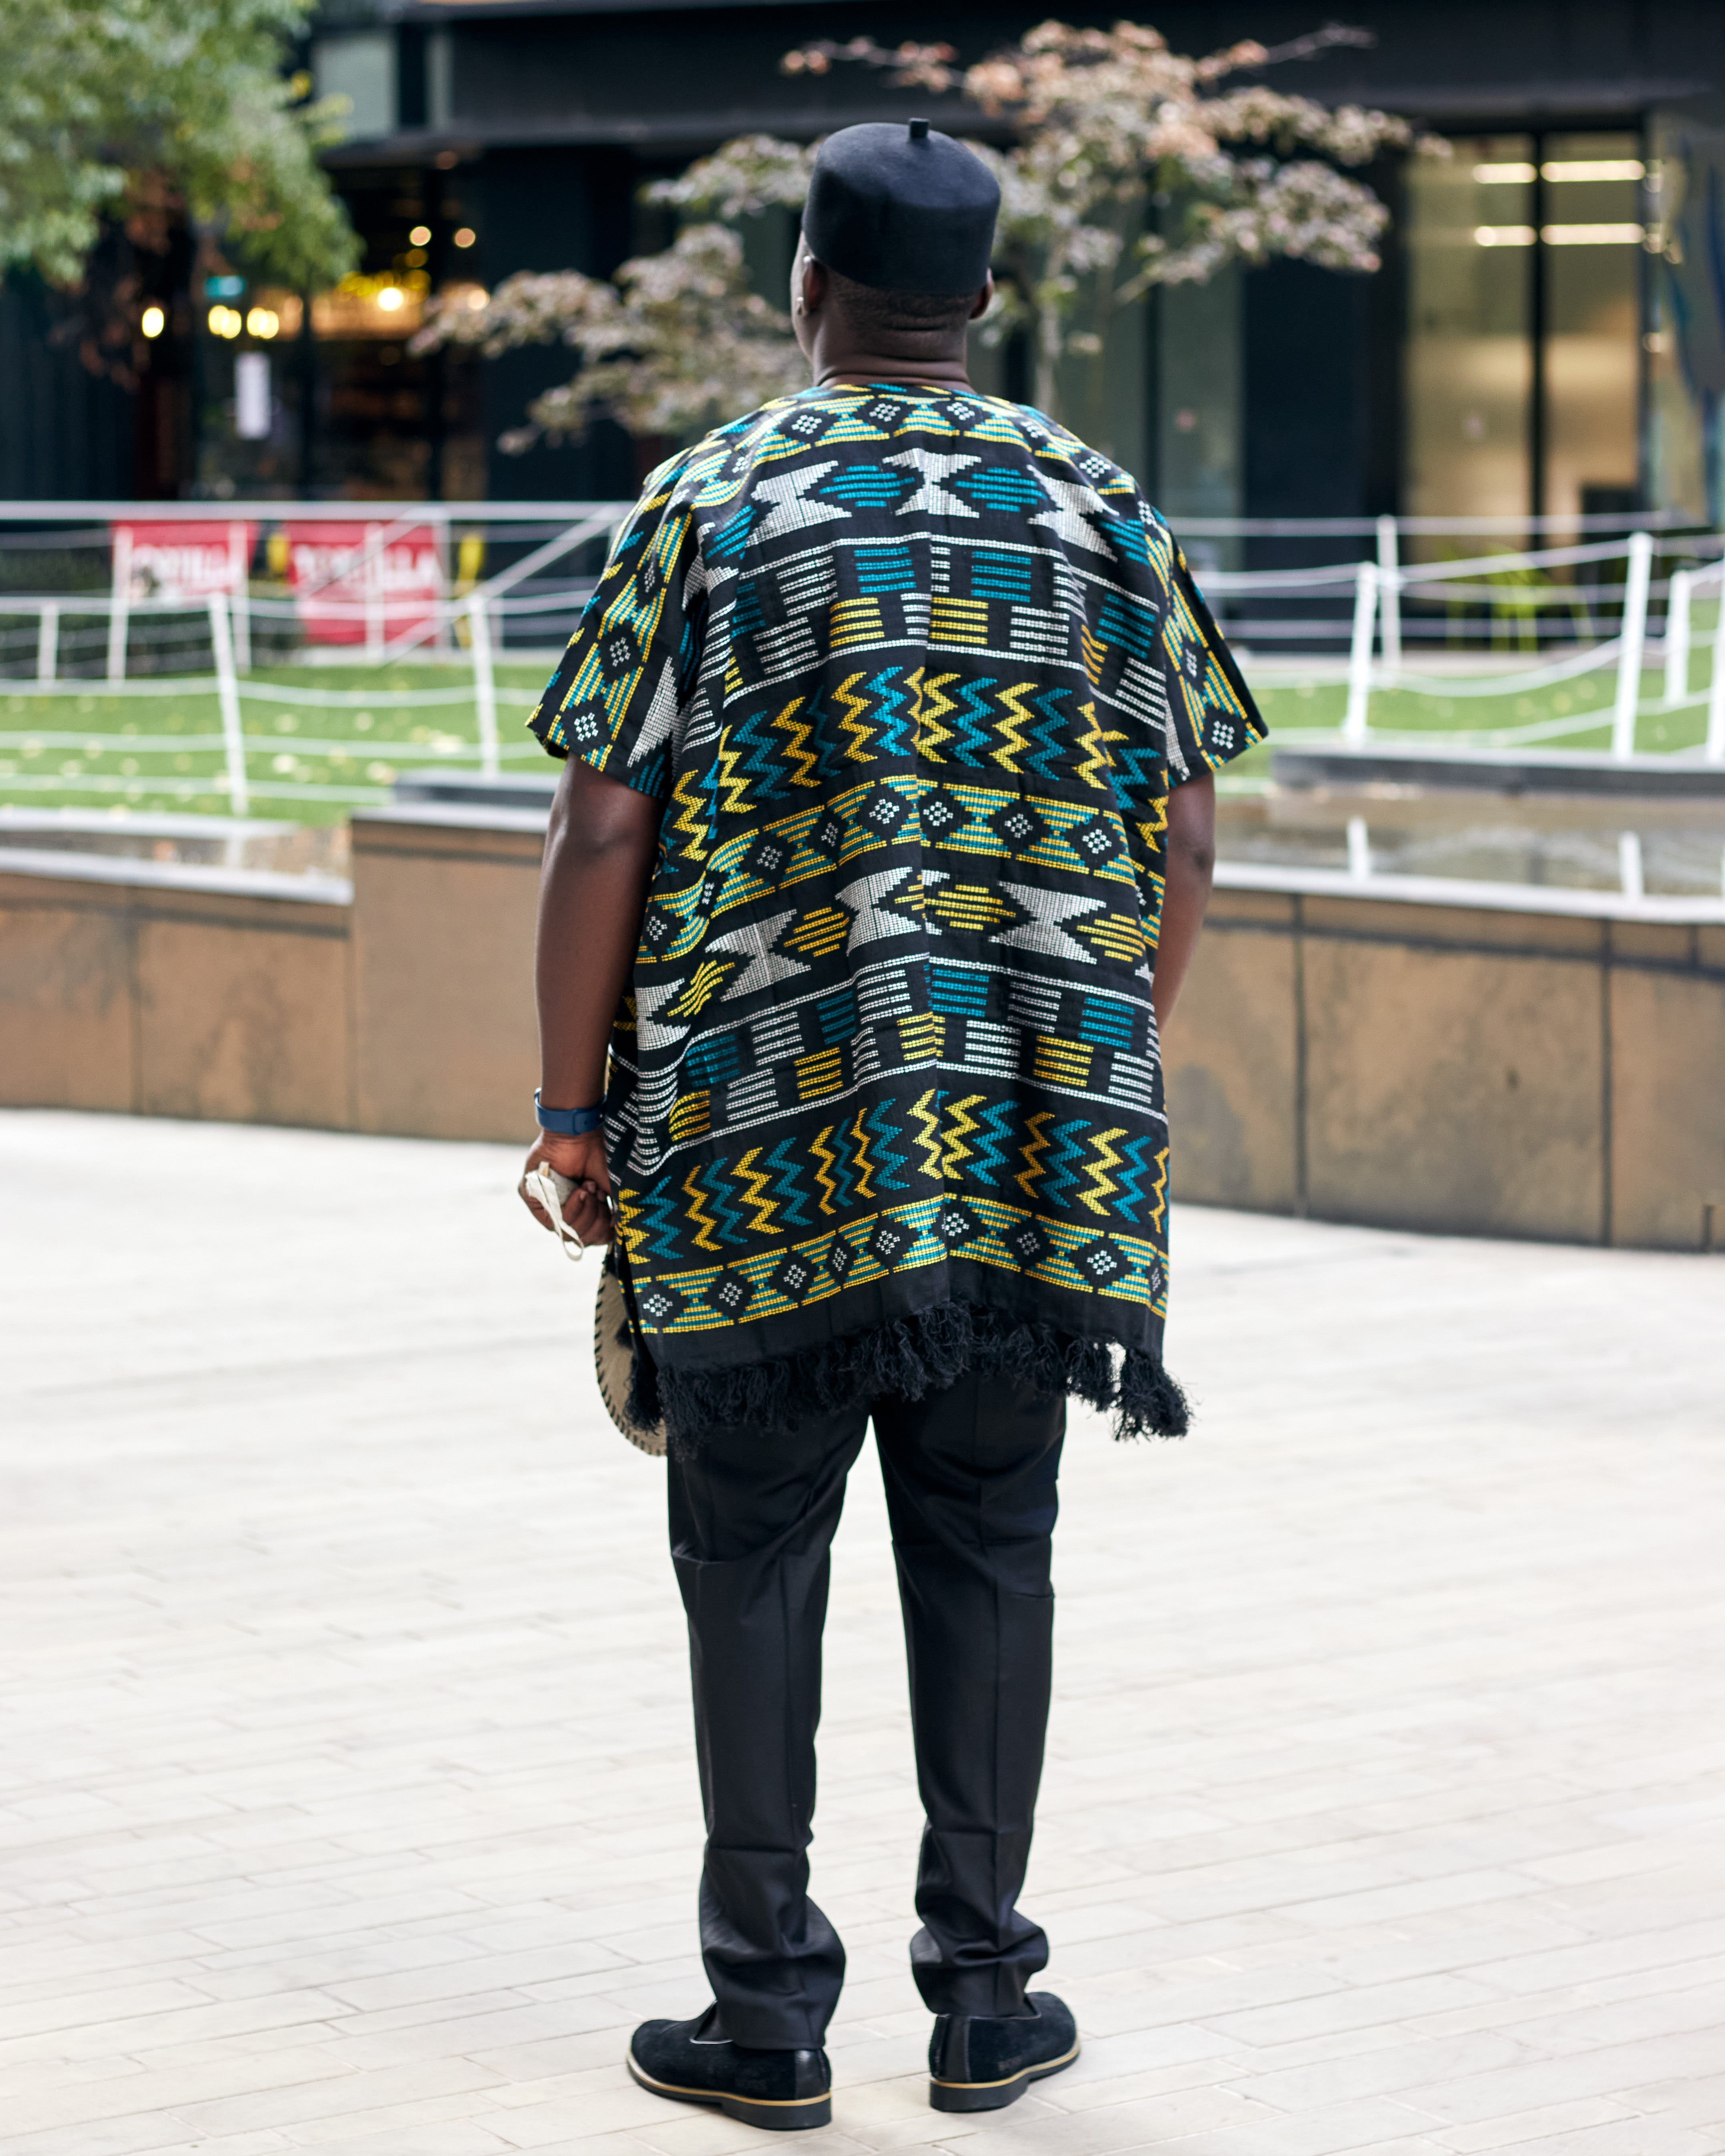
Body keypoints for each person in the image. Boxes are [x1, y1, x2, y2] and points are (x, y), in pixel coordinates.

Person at [519, 119, 1264, 2132]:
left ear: (805, 286)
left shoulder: (710, 501)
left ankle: (766, 2017)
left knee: (749, 1546)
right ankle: (989, 1994)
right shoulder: (1097, 502)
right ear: (991, 301)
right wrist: (1105, 1053)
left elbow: (602, 819)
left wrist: (573, 1111)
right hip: (1034, 1139)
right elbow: (1191, 826)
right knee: (991, 1541)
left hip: (766, 1131)